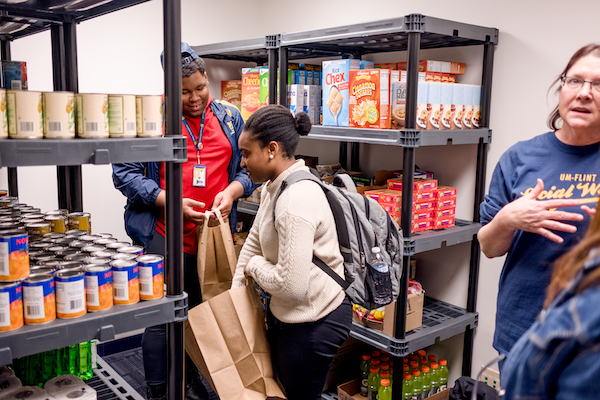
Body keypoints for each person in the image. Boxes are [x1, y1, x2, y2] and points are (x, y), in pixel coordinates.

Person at [112, 43, 256, 400]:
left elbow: (247, 169)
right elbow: (124, 174)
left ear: (207, 79)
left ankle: (189, 380)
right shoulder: (150, 121)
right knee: (162, 318)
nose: (194, 98)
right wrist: (168, 201)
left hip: (212, 240)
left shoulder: (230, 117)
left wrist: (234, 191)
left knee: (202, 315)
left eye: (200, 88)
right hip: (162, 238)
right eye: (184, 92)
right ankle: (158, 389)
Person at [478, 43, 600, 367]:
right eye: (575, 81)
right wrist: (508, 219)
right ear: (561, 88)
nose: (585, 93)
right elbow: (488, 247)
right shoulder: (519, 158)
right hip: (522, 329)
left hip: (591, 338)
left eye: (599, 85)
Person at [231, 105, 352, 400]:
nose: (242, 163)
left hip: (315, 321)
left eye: (246, 153)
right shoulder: (276, 186)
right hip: (291, 315)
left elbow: (292, 287)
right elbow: (255, 240)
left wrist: (255, 268)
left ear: (271, 149)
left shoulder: (295, 201)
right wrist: (236, 292)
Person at [501, 195, 600, 399]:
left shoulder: (583, 318)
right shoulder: (514, 162)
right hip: (517, 325)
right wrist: (506, 218)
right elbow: (487, 245)